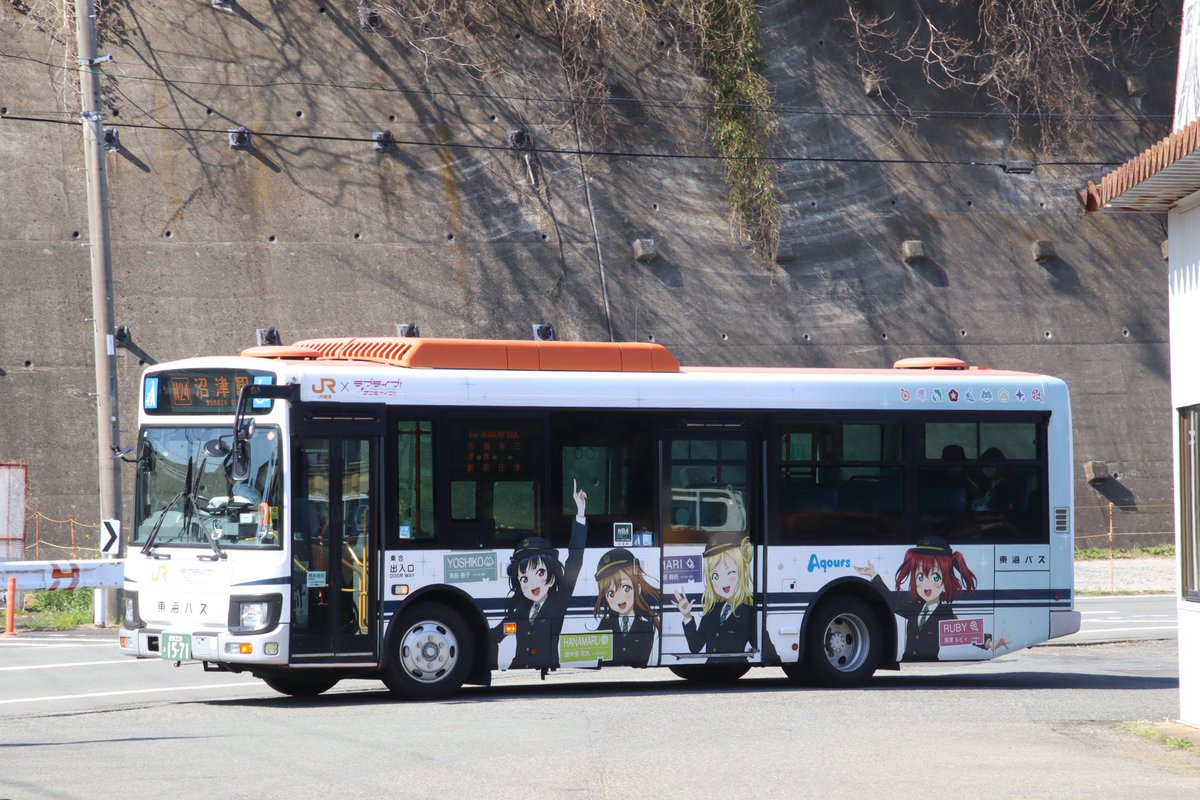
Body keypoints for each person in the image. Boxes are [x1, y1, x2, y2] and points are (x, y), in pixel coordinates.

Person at [490, 479, 587, 670]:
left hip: (548, 663)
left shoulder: (559, 602)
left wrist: (580, 515)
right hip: (518, 666)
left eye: (540, 572)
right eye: (523, 578)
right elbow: (491, 636)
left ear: (552, 576)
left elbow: (575, 559)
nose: (531, 583)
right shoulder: (518, 610)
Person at [854, 536, 977, 661]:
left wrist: (989, 642)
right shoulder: (914, 607)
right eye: (920, 577)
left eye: (935, 577)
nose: (926, 584)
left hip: (930, 662)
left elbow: (967, 632)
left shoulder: (946, 613)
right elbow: (892, 601)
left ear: (946, 584)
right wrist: (873, 574)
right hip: (907, 659)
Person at [672, 531, 777, 662]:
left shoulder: (749, 613)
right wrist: (687, 616)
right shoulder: (711, 610)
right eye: (715, 575)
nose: (723, 582)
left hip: (733, 669)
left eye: (730, 572)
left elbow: (768, 652)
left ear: (744, 572)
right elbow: (695, 647)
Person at [593, 548, 660, 667]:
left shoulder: (647, 625)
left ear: (637, 588)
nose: (619, 598)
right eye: (611, 593)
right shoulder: (604, 625)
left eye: (625, 588)